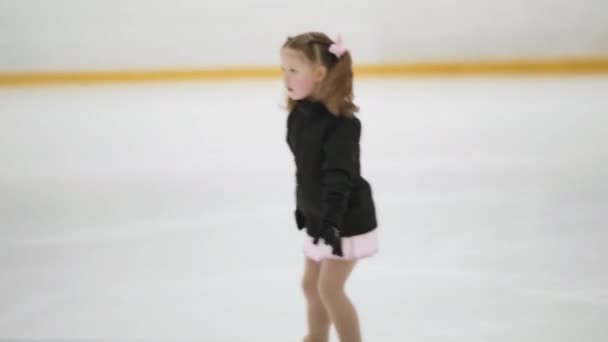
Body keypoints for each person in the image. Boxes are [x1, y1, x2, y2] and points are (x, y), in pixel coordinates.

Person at [282, 32, 379, 342]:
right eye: (283, 69)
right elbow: (306, 171)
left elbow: (340, 176)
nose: (285, 77)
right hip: (319, 215)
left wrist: (333, 221)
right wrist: (304, 208)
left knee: (329, 288)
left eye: (294, 70)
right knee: (311, 286)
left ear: (320, 74)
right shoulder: (299, 115)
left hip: (345, 218)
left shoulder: (342, 123)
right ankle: (316, 337)